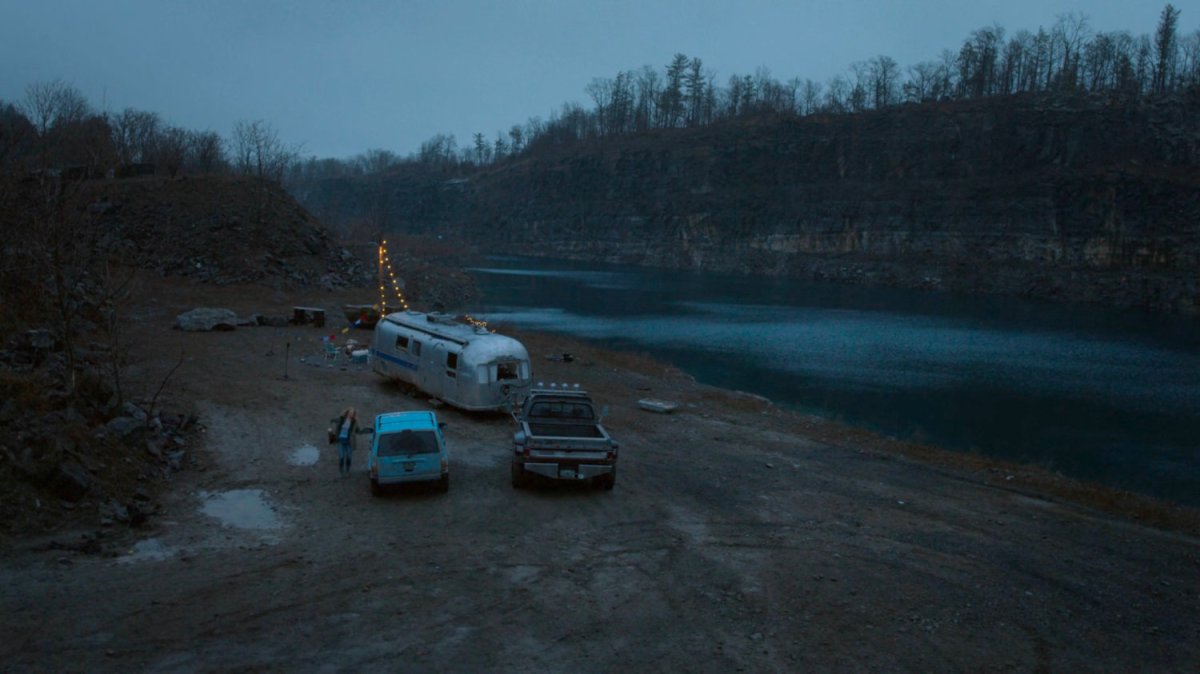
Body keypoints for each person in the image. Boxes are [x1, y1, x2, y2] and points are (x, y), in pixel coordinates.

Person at [333, 407, 359, 475]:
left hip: (349, 442)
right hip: (340, 440)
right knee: (341, 456)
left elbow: (358, 430)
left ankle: (348, 468)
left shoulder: (355, 422)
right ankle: (341, 468)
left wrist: (365, 431)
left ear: (354, 415)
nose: (351, 414)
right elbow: (337, 426)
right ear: (347, 413)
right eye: (350, 413)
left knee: (349, 457)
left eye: (352, 413)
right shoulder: (341, 419)